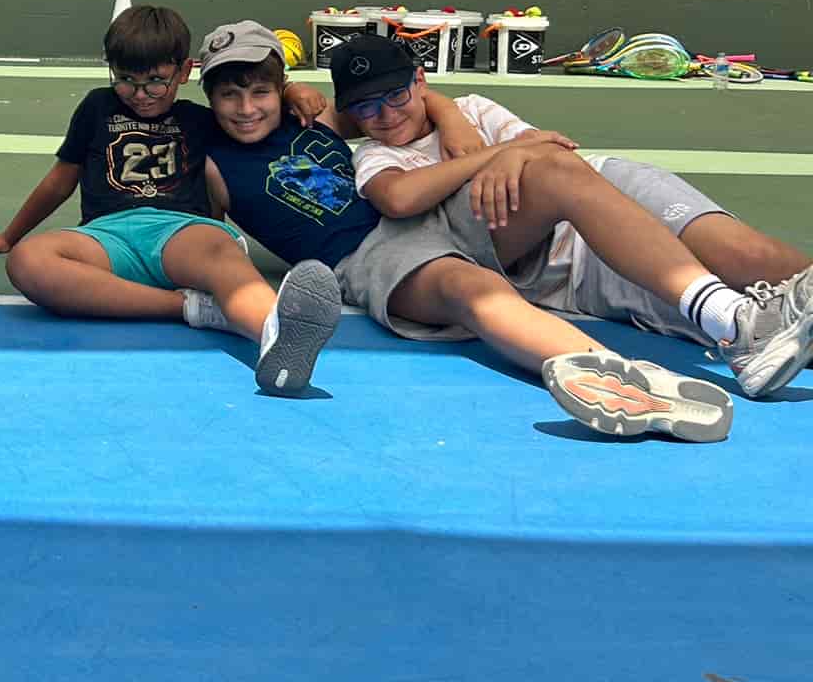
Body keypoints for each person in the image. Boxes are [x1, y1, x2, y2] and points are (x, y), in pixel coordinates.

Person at [337, 31, 813, 437]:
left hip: (607, 195)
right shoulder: (374, 156)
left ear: (420, 81)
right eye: (366, 107)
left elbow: (550, 149)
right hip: (571, 261)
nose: (385, 114)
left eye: (395, 96)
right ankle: (734, 322)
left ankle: (742, 323)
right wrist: (499, 155)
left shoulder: (471, 109)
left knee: (750, 256)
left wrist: (482, 133)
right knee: (700, 306)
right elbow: (400, 197)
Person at [0, 4, 340, 395]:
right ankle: (195, 308)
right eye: (126, 80)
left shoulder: (201, 119)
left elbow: (258, 112)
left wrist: (291, 90)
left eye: (156, 82)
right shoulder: (96, 107)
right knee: (28, 261)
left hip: (181, 232)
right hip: (106, 237)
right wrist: (10, 237)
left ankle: (275, 336)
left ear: (184, 72)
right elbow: (59, 181)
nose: (140, 95)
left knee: (221, 256)